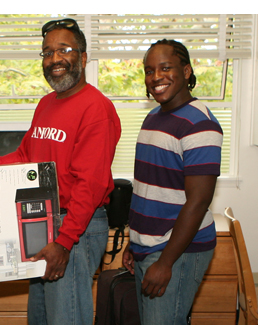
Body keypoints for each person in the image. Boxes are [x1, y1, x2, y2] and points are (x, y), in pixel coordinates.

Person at [0, 18, 121, 325]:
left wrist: (64, 241)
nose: (54, 58)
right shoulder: (46, 104)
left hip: (77, 228)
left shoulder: (96, 108)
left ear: (82, 58)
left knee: (67, 318)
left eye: (64, 50)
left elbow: (90, 184)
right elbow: (25, 157)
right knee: (41, 317)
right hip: (46, 223)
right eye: (46, 52)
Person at [122, 39, 223, 324]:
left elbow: (199, 200)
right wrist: (135, 239)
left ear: (187, 71)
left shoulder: (199, 124)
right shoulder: (152, 118)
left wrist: (166, 262)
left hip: (175, 251)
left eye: (166, 68)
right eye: (149, 70)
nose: (156, 77)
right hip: (148, 246)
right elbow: (148, 187)